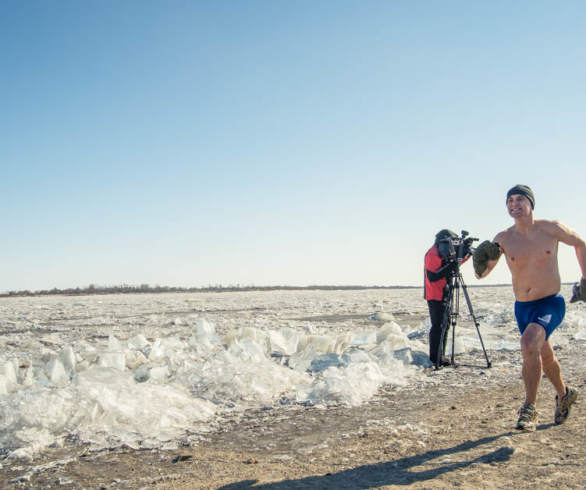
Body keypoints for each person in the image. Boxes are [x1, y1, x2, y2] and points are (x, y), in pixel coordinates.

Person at [474, 184, 586, 431]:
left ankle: (529, 409)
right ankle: (565, 394)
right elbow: (483, 273)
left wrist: (585, 279)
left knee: (527, 344)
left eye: (519, 199)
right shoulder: (503, 238)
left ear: (530, 204)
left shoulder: (551, 229)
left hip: (550, 303)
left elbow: (580, 244)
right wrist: (478, 262)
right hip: (522, 308)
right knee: (544, 355)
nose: (514, 204)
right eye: (509, 200)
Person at [424, 229, 460, 366]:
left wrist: (464, 253)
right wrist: (451, 265)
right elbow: (433, 276)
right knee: (438, 325)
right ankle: (436, 358)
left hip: (443, 292)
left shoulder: (442, 252)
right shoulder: (433, 254)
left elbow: (455, 263)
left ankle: (440, 355)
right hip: (435, 294)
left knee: (445, 324)